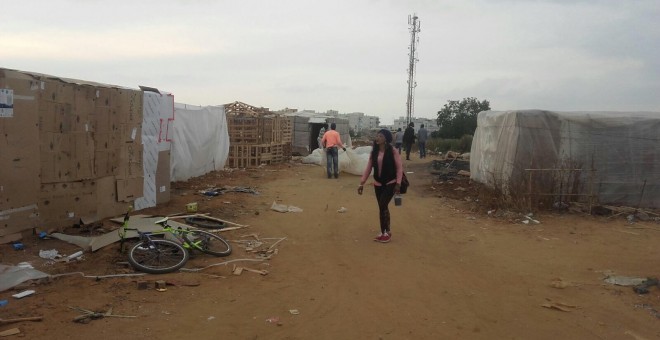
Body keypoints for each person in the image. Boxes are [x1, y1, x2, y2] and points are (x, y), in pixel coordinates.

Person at [357, 129, 403, 243]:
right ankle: (387, 230)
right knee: (383, 207)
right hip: (377, 184)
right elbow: (368, 167)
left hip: (390, 183)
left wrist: (398, 183)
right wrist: (362, 182)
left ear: (386, 139)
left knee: (383, 205)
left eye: (381, 136)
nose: (378, 138)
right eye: (377, 136)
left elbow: (399, 168)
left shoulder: (393, 151)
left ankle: (384, 233)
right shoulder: (375, 151)